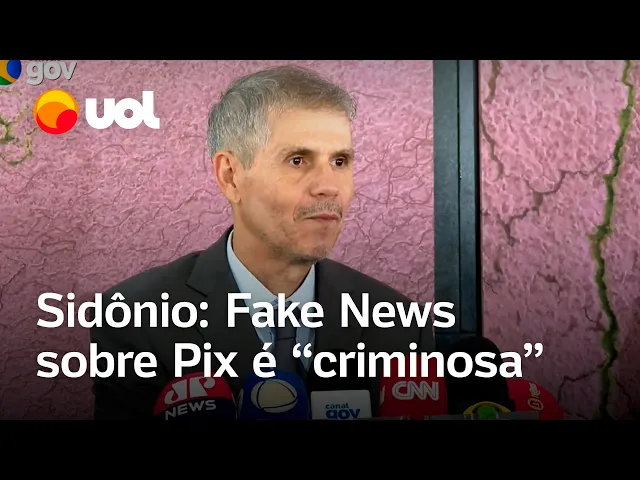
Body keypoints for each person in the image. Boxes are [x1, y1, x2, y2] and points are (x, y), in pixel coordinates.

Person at [91, 65, 435, 419]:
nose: (329, 186)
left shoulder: (402, 328)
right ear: (231, 176)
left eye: (340, 161)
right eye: (297, 160)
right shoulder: (135, 319)